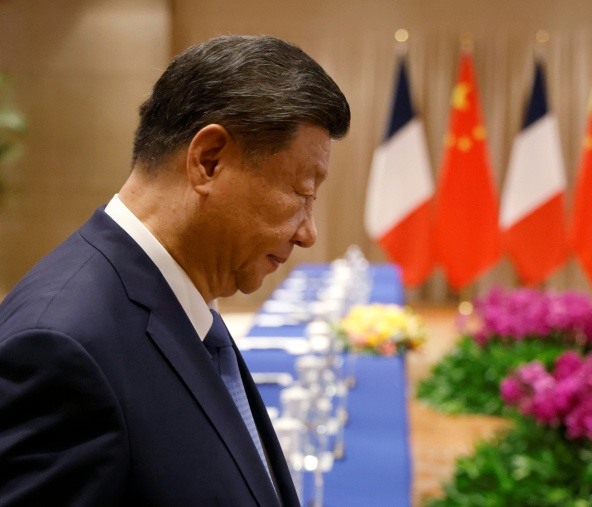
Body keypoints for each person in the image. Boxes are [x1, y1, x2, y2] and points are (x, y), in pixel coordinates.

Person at [0, 34, 350, 506]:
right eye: (301, 192)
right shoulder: (63, 348)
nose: (308, 233)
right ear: (209, 161)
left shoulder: (180, 301)